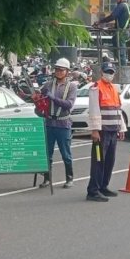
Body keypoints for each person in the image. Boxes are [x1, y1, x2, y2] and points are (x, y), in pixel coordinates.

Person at [86, 62, 126, 202]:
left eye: (111, 72)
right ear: (102, 72)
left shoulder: (113, 89)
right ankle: (93, 190)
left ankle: (103, 186)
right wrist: (95, 130)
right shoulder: (96, 88)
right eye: (107, 71)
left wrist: (121, 127)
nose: (109, 74)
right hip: (101, 132)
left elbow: (118, 108)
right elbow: (94, 110)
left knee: (109, 160)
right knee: (98, 161)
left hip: (112, 131)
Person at [37, 57, 78, 188]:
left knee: (65, 153)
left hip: (63, 124)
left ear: (67, 71)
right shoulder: (48, 85)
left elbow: (68, 104)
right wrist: (38, 103)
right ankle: (47, 178)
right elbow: (41, 100)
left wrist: (53, 98)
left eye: (61, 70)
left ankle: (69, 178)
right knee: (47, 153)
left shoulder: (71, 87)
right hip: (49, 123)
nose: (59, 72)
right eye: (57, 69)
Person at [94, 0, 130, 66]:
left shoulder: (121, 6)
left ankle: (123, 69)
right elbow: (123, 20)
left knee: (121, 53)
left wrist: (100, 22)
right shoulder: (129, 7)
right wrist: (112, 27)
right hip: (126, 32)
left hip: (122, 33)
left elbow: (112, 16)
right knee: (115, 41)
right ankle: (120, 64)